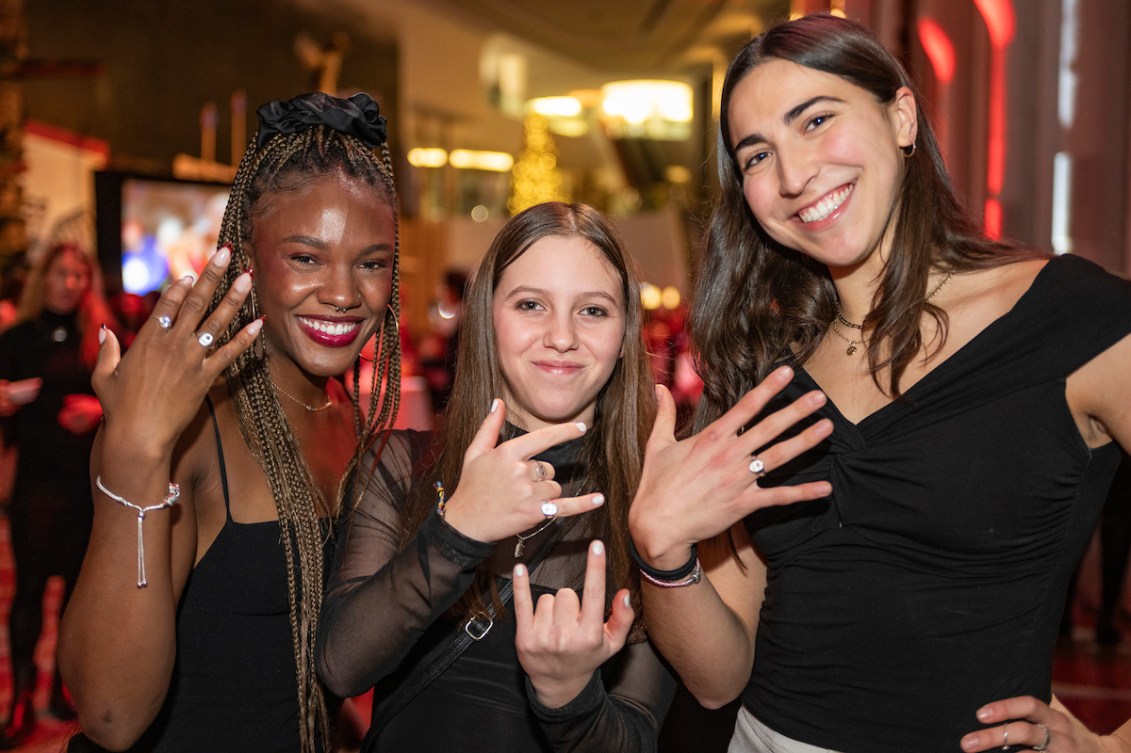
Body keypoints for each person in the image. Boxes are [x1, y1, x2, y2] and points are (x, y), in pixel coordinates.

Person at [624, 13, 1131, 753]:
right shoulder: (764, 370)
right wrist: (658, 545)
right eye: (757, 154)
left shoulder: (1070, 318)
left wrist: (1111, 746)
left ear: (900, 116)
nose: (793, 176)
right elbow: (716, 677)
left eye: (816, 119)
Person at [57, 91, 402, 753]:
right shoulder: (188, 427)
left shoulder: (352, 421)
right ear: (249, 254)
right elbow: (108, 716)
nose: (341, 292)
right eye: (305, 257)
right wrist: (133, 454)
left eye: (371, 263)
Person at [318, 201, 676, 752]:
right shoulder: (401, 465)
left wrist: (569, 696)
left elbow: (636, 738)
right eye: (531, 304)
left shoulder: (650, 502)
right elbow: (341, 666)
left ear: (626, 328)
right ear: (488, 316)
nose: (561, 336)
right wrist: (456, 532)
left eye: (593, 311)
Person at [0, 243, 114, 746]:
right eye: (61, 273)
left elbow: (128, 399)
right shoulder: (18, 338)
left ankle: (61, 689)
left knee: (75, 596)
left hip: (85, 486)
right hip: (34, 483)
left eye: (79, 275)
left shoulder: (101, 339)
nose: (70, 283)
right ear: (43, 278)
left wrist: (98, 408)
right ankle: (21, 700)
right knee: (28, 591)